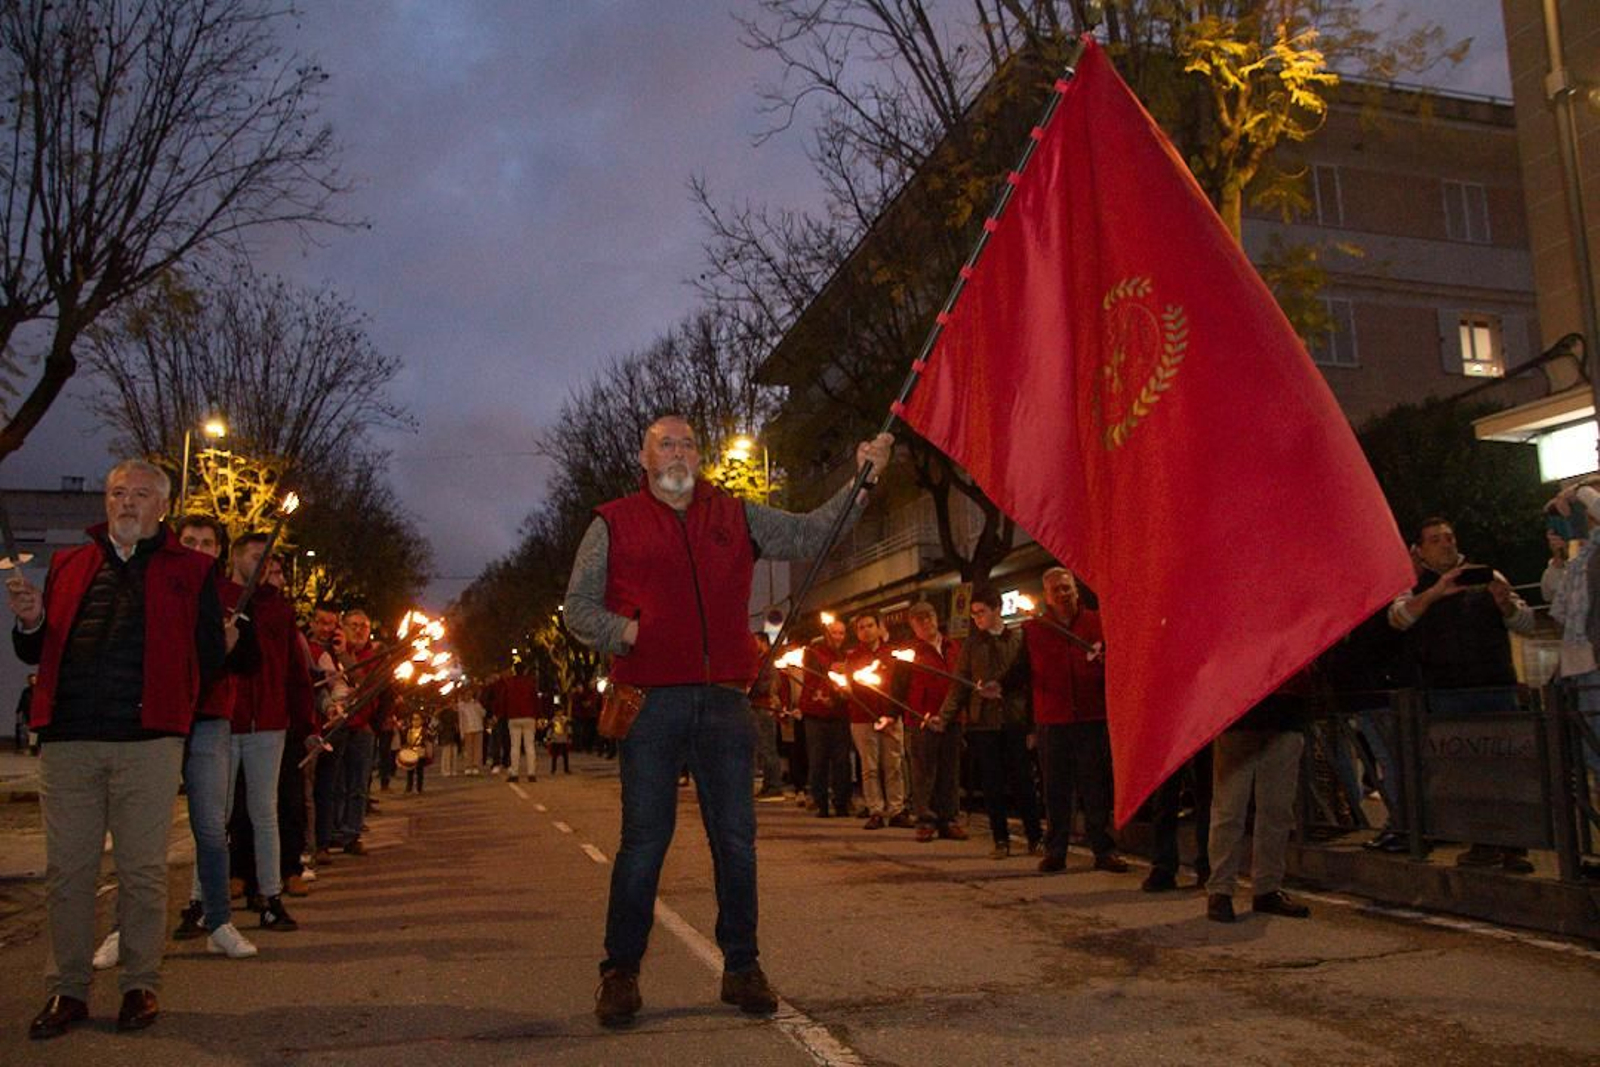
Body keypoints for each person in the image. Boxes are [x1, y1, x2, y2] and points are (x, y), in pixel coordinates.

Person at [565, 413, 892, 1028]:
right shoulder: (612, 522)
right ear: (643, 457)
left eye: (688, 442)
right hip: (650, 703)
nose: (678, 451)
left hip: (722, 702)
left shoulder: (737, 515)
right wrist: (627, 631)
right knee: (643, 841)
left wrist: (863, 480)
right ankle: (620, 972)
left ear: (699, 455)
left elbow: (816, 534)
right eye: (665, 442)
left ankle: (742, 967)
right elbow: (576, 608)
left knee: (737, 841)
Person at [8, 460, 233, 1039]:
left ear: (162, 506)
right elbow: (35, 652)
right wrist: (31, 623)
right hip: (70, 739)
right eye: (115, 494)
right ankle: (68, 990)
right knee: (70, 872)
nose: (125, 504)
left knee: (141, 870)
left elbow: (209, 657)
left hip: (147, 742)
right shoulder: (69, 563)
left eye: (138, 495)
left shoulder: (194, 571)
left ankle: (140, 983)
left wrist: (177, 704)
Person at [1388, 516, 1536, 873]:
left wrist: (1505, 605)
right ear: (1420, 550)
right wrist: (1437, 591)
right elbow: (1398, 618)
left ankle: (1513, 844)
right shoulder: (1415, 585)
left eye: (1449, 537)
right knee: (1464, 775)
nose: (1445, 543)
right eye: (1436, 539)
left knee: (1506, 770)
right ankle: (1482, 843)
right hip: (1447, 692)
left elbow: (1526, 624)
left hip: (1495, 687)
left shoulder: (1488, 576)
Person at [168, 515, 259, 957]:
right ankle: (122, 929)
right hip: (162, 717)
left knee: (209, 825)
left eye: (207, 543)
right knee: (141, 828)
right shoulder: (159, 586)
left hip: (209, 717)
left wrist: (233, 644)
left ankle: (219, 921)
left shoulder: (232, 597)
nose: (198, 549)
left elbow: (251, 662)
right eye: (190, 541)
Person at [1022, 569, 1127, 874]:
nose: (1062, 594)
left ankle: (1104, 850)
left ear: (1076, 591)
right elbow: (1022, 671)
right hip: (1052, 720)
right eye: (1055, 590)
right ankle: (1056, 850)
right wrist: (999, 686)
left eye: (1066, 588)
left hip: (1092, 718)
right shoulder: (1034, 629)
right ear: (1047, 596)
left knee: (1096, 787)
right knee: (1055, 789)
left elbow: (1119, 662)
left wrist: (1111, 662)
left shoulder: (1098, 622)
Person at [940, 585, 1041, 860]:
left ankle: (1035, 837)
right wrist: (945, 716)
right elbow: (959, 684)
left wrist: (1033, 725)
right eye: (973, 614)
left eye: (981, 612)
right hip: (983, 721)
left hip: (1014, 719)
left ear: (997, 609)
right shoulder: (972, 645)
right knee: (993, 783)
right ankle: (1001, 840)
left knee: (1023, 781)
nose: (977, 619)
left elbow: (1031, 683)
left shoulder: (1019, 638)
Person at [1205, 673, 1316, 923]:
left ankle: (1267, 888)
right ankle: (1220, 890)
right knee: (1229, 809)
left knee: (1276, 810)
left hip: (1285, 716)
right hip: (1238, 714)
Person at [897, 602, 966, 843]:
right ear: (912, 625)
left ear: (937, 617)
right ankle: (926, 819)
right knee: (924, 771)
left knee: (949, 770)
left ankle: (948, 819)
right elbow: (899, 688)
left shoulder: (953, 647)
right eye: (919, 619)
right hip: (922, 720)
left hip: (951, 718)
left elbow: (960, 681)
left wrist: (952, 713)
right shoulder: (910, 653)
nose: (926, 622)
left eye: (929, 616)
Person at [845, 611, 910, 829]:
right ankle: (875, 810)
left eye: (869, 625)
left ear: (879, 627)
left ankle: (897, 809)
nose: (865, 631)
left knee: (893, 764)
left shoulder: (892, 654)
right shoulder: (853, 657)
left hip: (890, 715)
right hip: (863, 717)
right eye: (861, 627)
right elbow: (850, 688)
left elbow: (901, 685)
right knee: (869, 766)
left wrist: (892, 713)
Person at [798, 618, 854, 818]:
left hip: (839, 713)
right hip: (816, 713)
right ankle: (821, 802)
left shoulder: (847, 655)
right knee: (818, 759)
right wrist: (831, 669)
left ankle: (841, 802)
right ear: (826, 633)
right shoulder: (813, 652)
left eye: (841, 633)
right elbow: (814, 673)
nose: (838, 637)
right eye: (834, 632)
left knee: (841, 760)